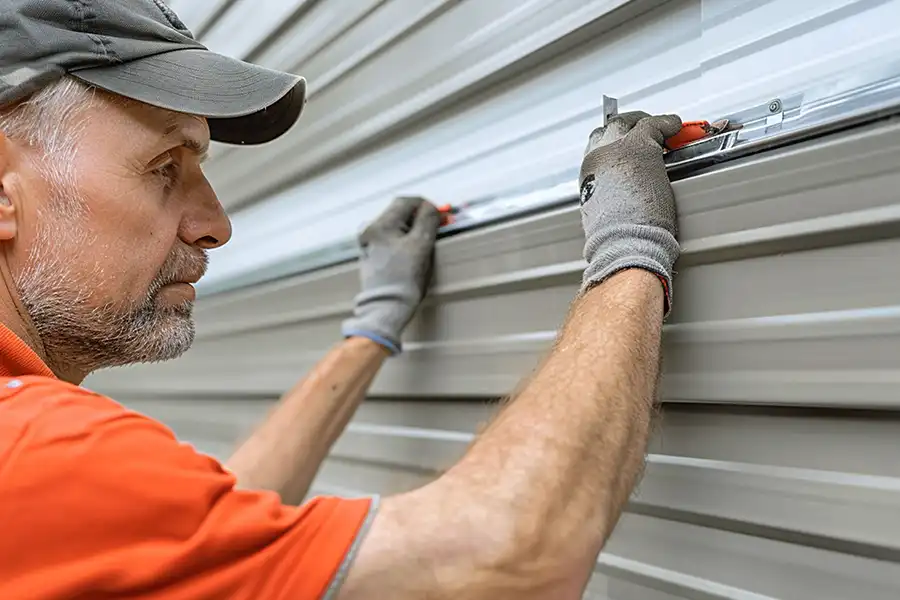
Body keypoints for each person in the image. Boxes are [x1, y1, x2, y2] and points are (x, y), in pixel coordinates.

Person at [0, 1, 683, 598]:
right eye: (162, 167)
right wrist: (630, 251)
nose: (216, 223)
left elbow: (211, 534)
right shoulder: (32, 455)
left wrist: (372, 327)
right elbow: (501, 560)